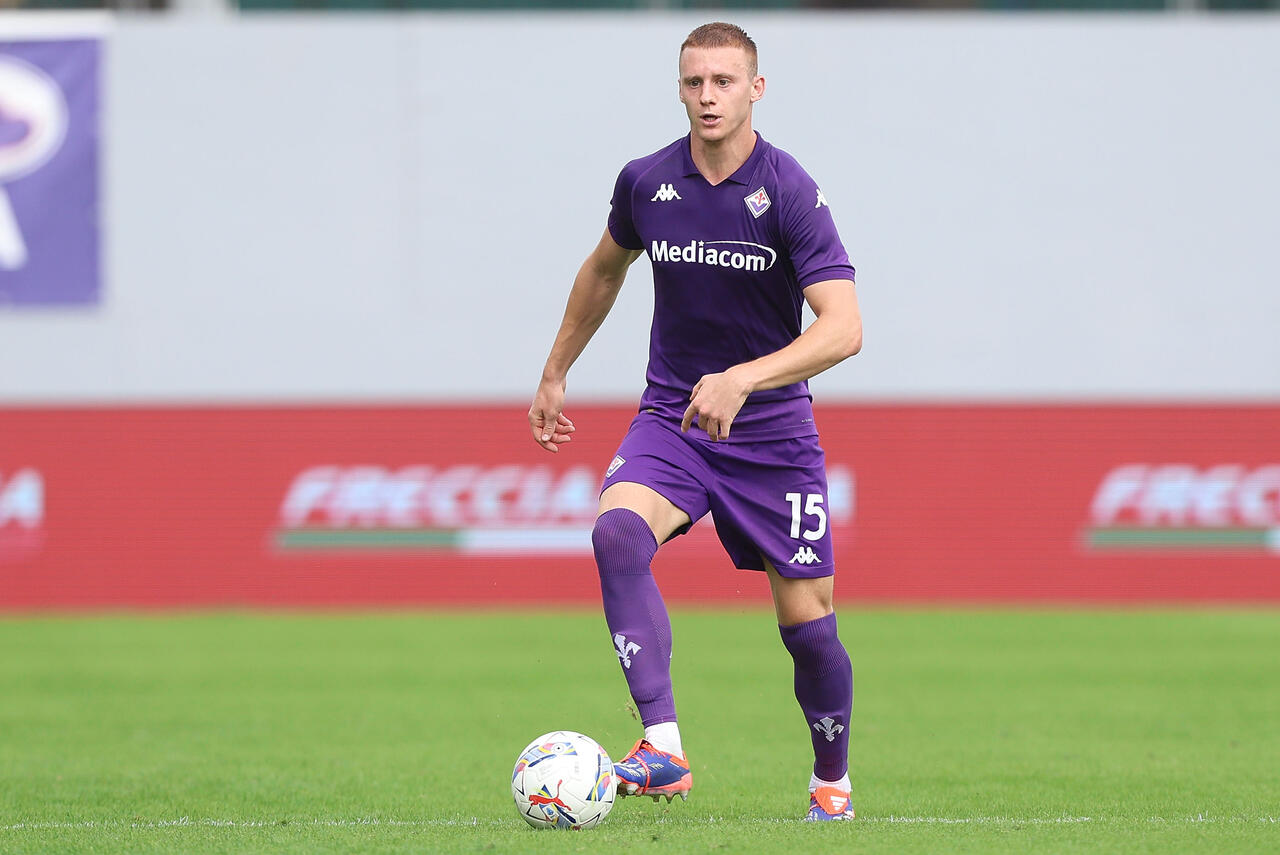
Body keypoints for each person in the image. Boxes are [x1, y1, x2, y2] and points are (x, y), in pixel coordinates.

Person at [527, 21, 862, 822]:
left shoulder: (788, 191)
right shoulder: (647, 183)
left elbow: (844, 328)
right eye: (693, 82)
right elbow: (603, 270)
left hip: (773, 437)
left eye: (723, 81)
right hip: (674, 419)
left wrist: (744, 379)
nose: (707, 96)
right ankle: (664, 747)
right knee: (614, 533)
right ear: (679, 88)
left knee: (808, 626)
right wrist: (555, 369)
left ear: (756, 89)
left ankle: (831, 782)